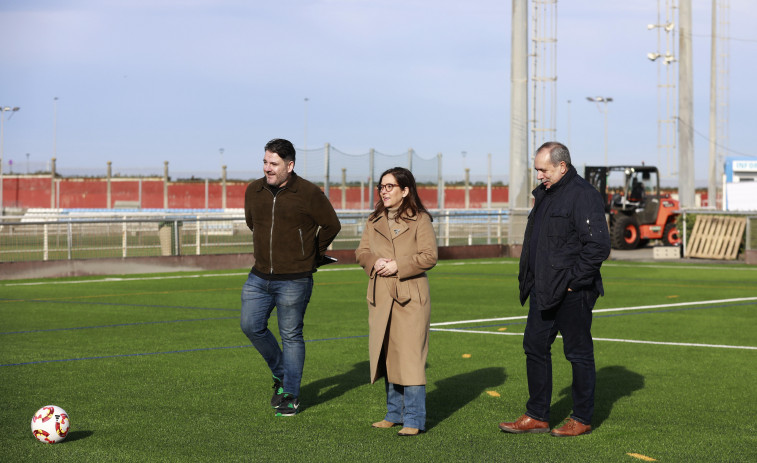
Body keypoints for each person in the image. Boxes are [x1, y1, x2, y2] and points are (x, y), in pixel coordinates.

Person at [499, 142, 611, 437]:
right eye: (536, 169)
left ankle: (582, 418)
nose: (538, 176)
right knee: (534, 347)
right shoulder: (546, 195)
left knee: (578, 354)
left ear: (562, 166)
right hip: (543, 289)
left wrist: (574, 283)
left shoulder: (584, 195)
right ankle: (537, 415)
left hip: (573, 293)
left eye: (543, 170)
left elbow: (598, 246)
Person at [240, 138, 341, 417]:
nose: (267, 168)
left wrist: (313, 253)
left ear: (290, 165)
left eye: (274, 164)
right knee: (250, 325)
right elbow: (253, 223)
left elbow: (332, 224)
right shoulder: (254, 190)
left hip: (295, 278)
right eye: (265, 162)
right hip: (259, 276)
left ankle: (291, 394)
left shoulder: (308, 192)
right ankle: (282, 373)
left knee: (291, 336)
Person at [356, 167, 438, 436]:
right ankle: (394, 414)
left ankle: (414, 419)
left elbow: (429, 256)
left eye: (390, 186)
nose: (384, 191)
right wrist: (373, 262)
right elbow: (362, 252)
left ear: (405, 191)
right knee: (387, 355)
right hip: (380, 295)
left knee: (411, 358)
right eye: (382, 186)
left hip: (410, 297)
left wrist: (397, 266)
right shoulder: (373, 220)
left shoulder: (421, 219)